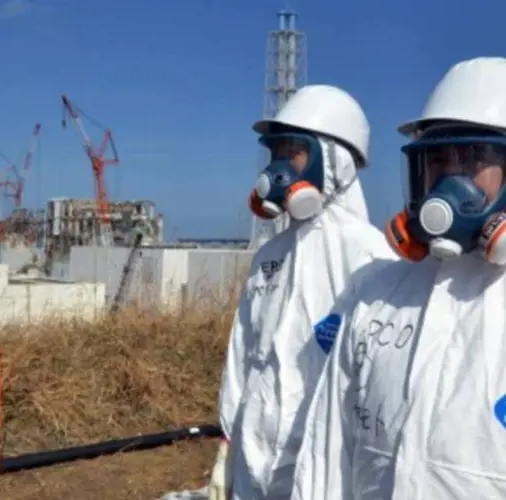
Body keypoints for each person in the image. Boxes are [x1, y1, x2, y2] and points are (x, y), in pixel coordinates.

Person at [290, 56, 506, 500]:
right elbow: (328, 452)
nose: (450, 179)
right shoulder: (377, 295)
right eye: (438, 161)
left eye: (472, 159)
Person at [208, 85, 399, 500]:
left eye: (294, 151)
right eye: (275, 152)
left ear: (335, 161)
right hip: (254, 456)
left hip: (320, 466)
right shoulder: (270, 256)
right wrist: (228, 443)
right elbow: (243, 354)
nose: (279, 167)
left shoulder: (370, 255)